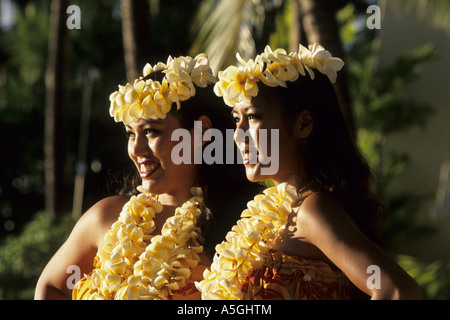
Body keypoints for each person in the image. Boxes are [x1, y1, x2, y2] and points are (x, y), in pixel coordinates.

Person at [196, 44, 422, 300]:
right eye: (237, 119)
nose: (239, 135)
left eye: (254, 117)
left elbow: (397, 290)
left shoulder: (312, 211)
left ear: (303, 124)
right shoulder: (276, 212)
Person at [34, 54, 255, 300]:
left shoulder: (244, 234)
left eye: (150, 131)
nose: (136, 149)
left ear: (201, 132)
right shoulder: (106, 217)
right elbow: (51, 288)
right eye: (130, 133)